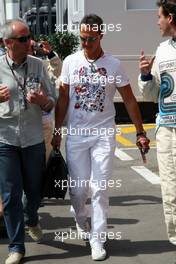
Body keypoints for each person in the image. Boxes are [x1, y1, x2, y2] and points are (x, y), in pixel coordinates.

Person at [52, 14, 150, 261]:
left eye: (91, 39)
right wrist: (56, 130)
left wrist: (140, 131)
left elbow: (129, 99)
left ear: (101, 36)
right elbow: (63, 98)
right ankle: (80, 219)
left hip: (104, 134)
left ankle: (98, 239)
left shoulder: (114, 65)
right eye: (82, 39)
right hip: (76, 134)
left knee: (99, 188)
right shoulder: (72, 62)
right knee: (77, 190)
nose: (85, 43)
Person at [0, 18, 56, 264]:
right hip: (5, 140)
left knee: (33, 191)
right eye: (23, 39)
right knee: (11, 195)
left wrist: (43, 101)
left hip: (33, 139)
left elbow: (52, 99)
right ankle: (16, 247)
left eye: (29, 37)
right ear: (8, 42)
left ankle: (31, 217)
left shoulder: (38, 65)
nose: (29, 42)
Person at [138, 0, 176, 246]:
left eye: (159, 16)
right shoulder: (161, 50)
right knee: (170, 186)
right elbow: (152, 95)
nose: (157, 21)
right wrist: (144, 76)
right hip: (166, 127)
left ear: (170, 18)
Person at [28, 38, 62, 161]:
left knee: (45, 159)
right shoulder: (8, 65)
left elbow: (56, 71)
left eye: (32, 47)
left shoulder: (39, 64)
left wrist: (50, 53)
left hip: (44, 121)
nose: (29, 49)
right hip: (23, 124)